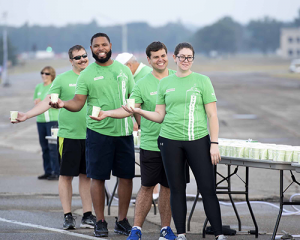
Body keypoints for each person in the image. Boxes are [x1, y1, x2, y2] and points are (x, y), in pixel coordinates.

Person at [121, 42, 227, 240]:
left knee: (207, 188)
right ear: (176, 57)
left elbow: (212, 116)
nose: (185, 60)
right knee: (176, 189)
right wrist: (139, 111)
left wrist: (214, 143)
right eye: (182, 57)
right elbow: (160, 116)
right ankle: (180, 234)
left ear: (192, 59)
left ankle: (219, 234)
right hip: (169, 141)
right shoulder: (165, 83)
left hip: (197, 140)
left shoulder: (202, 81)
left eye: (189, 57)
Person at [49, 33, 135, 238]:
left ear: (110, 46)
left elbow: (134, 100)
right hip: (98, 133)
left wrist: (139, 124)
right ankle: (100, 221)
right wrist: (62, 103)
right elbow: (78, 102)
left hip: (123, 132)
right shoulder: (86, 74)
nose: (101, 48)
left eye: (104, 44)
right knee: (97, 177)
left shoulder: (124, 71)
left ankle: (122, 221)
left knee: (126, 177)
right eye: (96, 46)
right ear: (92, 49)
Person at [90, 41, 177, 240]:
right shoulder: (141, 84)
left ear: (168, 56)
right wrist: (107, 113)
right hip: (151, 143)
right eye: (155, 57)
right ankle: (136, 228)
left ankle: (166, 228)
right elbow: (129, 108)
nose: (160, 59)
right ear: (149, 60)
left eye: (163, 55)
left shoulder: (177, 78)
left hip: (176, 143)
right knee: (147, 186)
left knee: (168, 186)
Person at [12, 45, 96, 230]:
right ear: (70, 60)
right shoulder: (63, 79)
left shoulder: (93, 75)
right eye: (77, 57)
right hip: (69, 135)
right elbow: (47, 101)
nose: (82, 59)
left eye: (84, 55)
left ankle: (87, 215)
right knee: (66, 176)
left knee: (86, 176)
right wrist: (27, 115)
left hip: (91, 134)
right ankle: (67, 216)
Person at [33, 66, 60, 180]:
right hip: (41, 121)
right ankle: (47, 171)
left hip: (53, 120)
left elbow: (57, 103)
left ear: (52, 75)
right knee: (44, 147)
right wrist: (38, 103)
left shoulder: (54, 86)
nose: (44, 75)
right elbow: (36, 102)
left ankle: (56, 171)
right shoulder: (38, 87)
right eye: (42, 73)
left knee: (53, 147)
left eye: (47, 73)